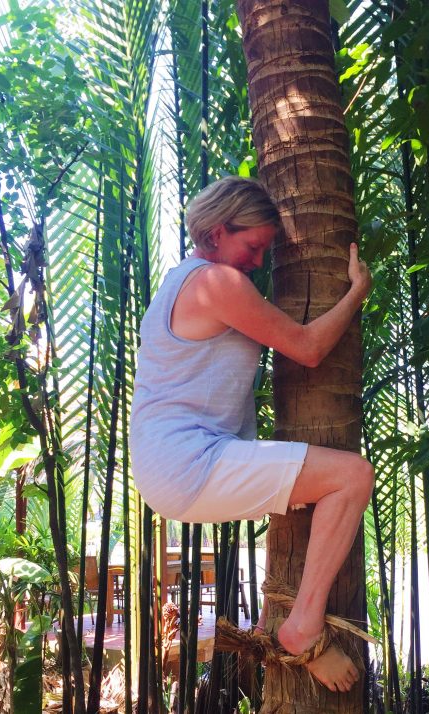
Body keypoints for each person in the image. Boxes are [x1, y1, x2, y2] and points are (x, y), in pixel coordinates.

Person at [129, 176, 374, 693]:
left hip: (173, 463)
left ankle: (273, 616)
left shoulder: (180, 280)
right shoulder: (217, 283)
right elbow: (307, 348)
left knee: (309, 492)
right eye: (254, 246)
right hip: (188, 462)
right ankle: (302, 626)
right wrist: (357, 292)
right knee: (351, 477)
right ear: (218, 232)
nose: (260, 262)